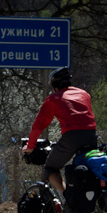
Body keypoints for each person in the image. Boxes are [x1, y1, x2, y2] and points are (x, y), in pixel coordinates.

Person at [22, 67, 97, 196]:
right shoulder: (84, 94)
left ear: (54, 85)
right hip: (92, 136)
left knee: (50, 168)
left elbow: (39, 125)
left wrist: (30, 146)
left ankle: (68, 197)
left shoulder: (53, 99)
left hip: (71, 137)